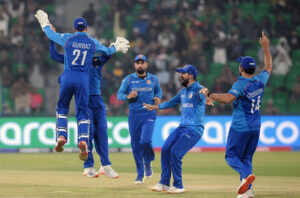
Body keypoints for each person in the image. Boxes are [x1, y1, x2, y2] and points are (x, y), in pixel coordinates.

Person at [34, 10, 129, 161]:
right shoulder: (92, 43)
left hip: (67, 77)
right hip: (83, 80)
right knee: (82, 111)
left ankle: (61, 136)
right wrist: (115, 48)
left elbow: (51, 36)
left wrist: (45, 23)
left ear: (74, 29)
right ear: (86, 29)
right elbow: (106, 51)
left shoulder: (68, 39)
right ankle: (83, 140)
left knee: (62, 108)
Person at [200, 32, 272, 198]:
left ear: (241, 68)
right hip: (255, 127)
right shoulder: (260, 80)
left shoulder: (240, 84)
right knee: (246, 158)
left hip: (240, 127)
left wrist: (209, 94)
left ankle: (246, 178)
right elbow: (268, 67)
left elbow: (228, 98)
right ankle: (248, 191)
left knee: (231, 156)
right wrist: (266, 47)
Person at [49, 40, 119, 178]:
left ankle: (106, 165)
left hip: (97, 99)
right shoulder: (73, 61)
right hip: (84, 99)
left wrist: (113, 47)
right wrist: (52, 40)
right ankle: (88, 167)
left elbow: (108, 54)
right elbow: (55, 56)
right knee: (88, 132)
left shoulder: (99, 60)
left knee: (102, 133)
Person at [143, 65, 212, 194]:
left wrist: (208, 98)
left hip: (194, 129)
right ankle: (164, 183)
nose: (180, 76)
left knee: (175, 152)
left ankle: (178, 186)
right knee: (165, 149)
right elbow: (170, 103)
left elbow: (205, 94)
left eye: (183, 73)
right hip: (182, 127)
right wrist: (155, 107)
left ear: (191, 75)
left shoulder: (199, 89)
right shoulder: (183, 91)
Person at [117, 54, 162, 184]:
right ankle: (139, 175)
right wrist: (128, 96)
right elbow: (119, 94)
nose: (140, 65)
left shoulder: (154, 79)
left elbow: (159, 91)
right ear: (134, 65)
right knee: (136, 145)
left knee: (146, 140)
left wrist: (158, 98)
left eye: (142, 62)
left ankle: (147, 162)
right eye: (138, 62)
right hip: (134, 115)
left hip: (149, 113)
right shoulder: (128, 79)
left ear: (147, 64)